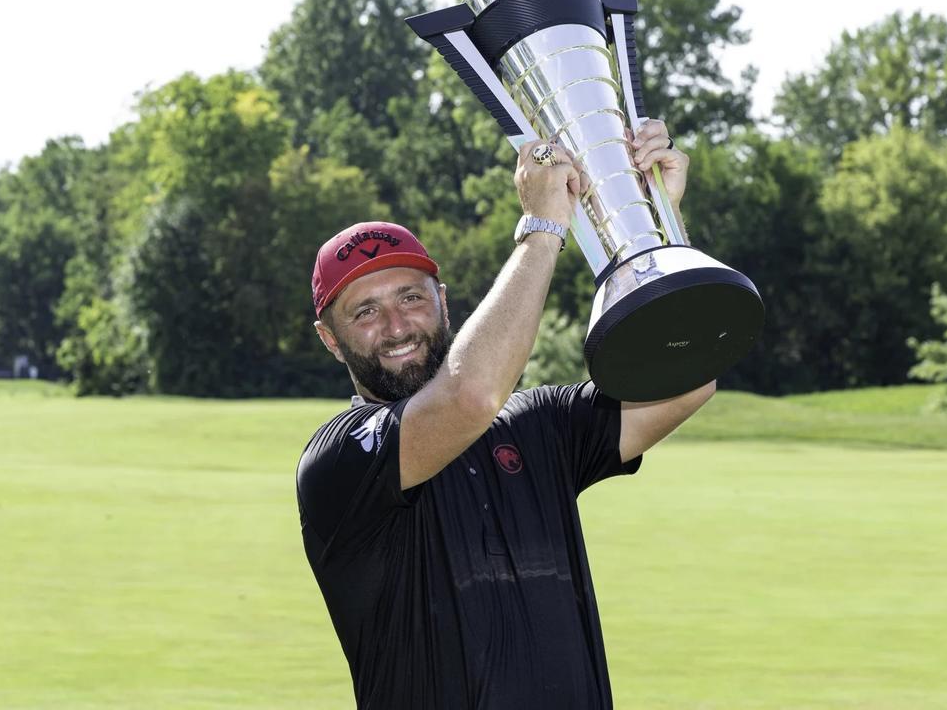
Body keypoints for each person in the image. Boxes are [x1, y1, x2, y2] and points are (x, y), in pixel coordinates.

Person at [296, 120, 715, 709]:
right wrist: (542, 228)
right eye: (365, 311)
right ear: (331, 340)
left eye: (412, 298)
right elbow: (468, 397)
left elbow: (689, 377)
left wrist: (655, 227)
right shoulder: (339, 460)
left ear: (443, 302)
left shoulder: (537, 426)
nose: (396, 327)